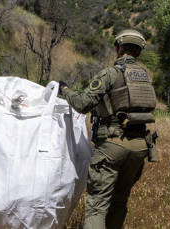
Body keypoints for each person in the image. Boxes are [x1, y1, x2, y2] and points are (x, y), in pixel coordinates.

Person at [58, 29, 158, 229]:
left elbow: (83, 103)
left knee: (97, 207)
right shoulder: (144, 77)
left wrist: (65, 90)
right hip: (140, 148)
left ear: (119, 48)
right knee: (120, 202)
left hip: (112, 146)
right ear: (138, 52)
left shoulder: (111, 74)